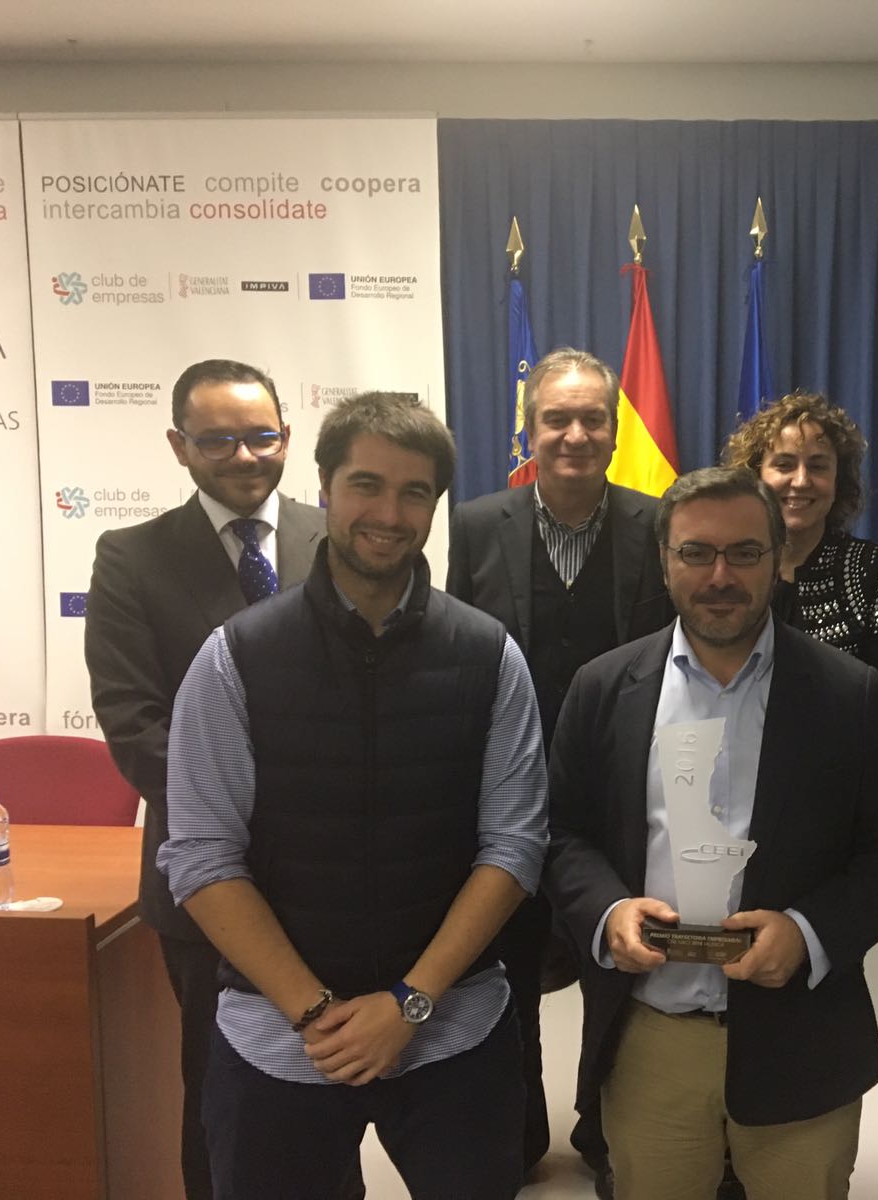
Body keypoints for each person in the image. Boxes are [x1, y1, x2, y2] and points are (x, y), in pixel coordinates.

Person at [158, 392, 549, 1199]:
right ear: (325, 488)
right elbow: (202, 857)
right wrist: (317, 1015)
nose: (389, 514)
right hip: (280, 1037)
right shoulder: (235, 659)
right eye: (366, 485)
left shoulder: (489, 656)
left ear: (436, 506)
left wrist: (408, 1005)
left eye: (414, 493)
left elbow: (513, 845)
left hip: (452, 1030)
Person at [545, 466, 878, 1200]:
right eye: (696, 553)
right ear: (665, 561)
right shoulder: (603, 687)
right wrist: (606, 911)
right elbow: (562, 831)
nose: (720, 576)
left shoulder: (851, 694)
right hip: (651, 1034)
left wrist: (809, 933)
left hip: (802, 1035)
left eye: (745, 553)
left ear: (778, 559)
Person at [84, 357, 326, 1200]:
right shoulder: (131, 558)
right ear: (179, 445)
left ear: (286, 436)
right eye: (217, 439)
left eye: (261, 436)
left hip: (335, 876)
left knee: (332, 1088)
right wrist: (255, 821)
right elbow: (134, 725)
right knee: (221, 1100)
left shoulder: (339, 538)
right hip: (204, 886)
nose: (244, 456)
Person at [447, 346, 671, 1189]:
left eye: (592, 419)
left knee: (621, 973)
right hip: (505, 798)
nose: (575, 435)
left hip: (623, 800)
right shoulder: (476, 526)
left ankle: (608, 1134)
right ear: (528, 430)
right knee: (510, 972)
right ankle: (517, 1133)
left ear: (614, 430)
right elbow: (458, 657)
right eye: (557, 419)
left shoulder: (658, 523)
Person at [722, 390, 878, 687]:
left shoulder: (872, 569)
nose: (801, 481)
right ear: (756, 475)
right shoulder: (725, 566)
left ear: (838, 480)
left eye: (817, 466)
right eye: (784, 465)